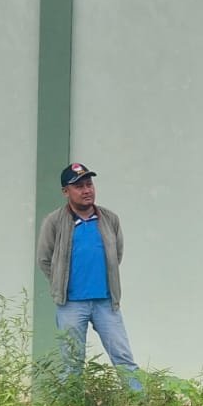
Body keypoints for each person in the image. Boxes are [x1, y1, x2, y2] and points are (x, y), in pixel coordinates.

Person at [35, 162, 142, 390]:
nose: (87, 190)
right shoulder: (54, 222)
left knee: (124, 359)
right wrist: (61, 283)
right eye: (79, 186)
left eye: (89, 184)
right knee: (71, 364)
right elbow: (44, 259)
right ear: (66, 192)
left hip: (106, 303)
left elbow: (117, 254)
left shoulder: (110, 219)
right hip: (71, 305)